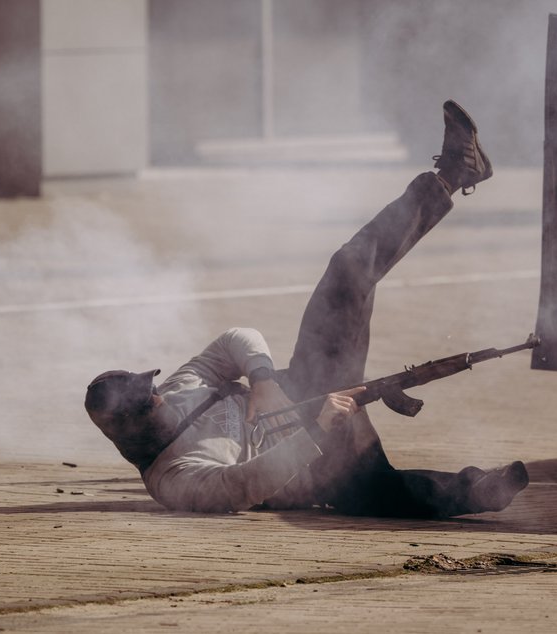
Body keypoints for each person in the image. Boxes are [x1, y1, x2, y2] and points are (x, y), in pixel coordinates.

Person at [84, 100, 530, 517]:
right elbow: (246, 485)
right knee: (377, 492)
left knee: (347, 270)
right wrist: (316, 430)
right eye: (148, 402)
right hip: (317, 467)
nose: (159, 395)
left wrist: (261, 380)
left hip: (307, 384)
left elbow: (233, 341)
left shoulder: (180, 390)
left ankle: (453, 173)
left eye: (150, 389)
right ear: (130, 427)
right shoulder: (172, 480)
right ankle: (479, 491)